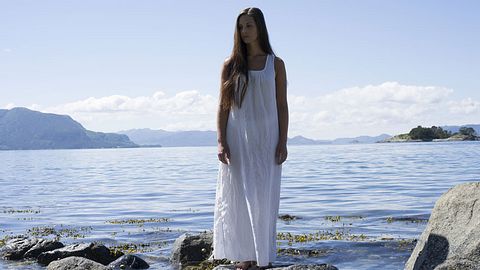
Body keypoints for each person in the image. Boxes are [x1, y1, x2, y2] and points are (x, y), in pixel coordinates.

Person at [213, 7, 289, 270]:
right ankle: (245, 256)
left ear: (260, 28)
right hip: (239, 136)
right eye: (241, 27)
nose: (244, 32)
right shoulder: (230, 64)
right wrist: (221, 141)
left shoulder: (275, 64)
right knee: (238, 194)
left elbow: (282, 105)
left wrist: (283, 141)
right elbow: (223, 106)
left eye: (249, 26)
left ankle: (263, 256)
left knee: (264, 195)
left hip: (267, 138)